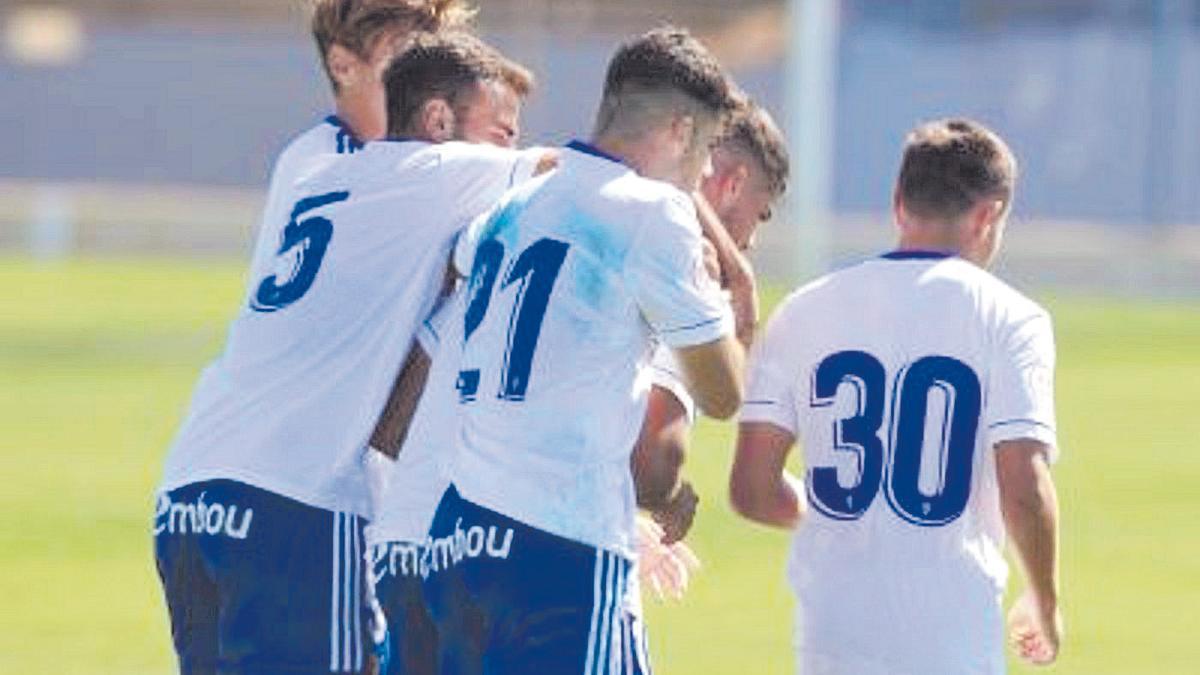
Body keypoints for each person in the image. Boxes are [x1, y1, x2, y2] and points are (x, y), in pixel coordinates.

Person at [153, 31, 543, 673]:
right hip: (294, 503)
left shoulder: (324, 173)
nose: (515, 148)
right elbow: (583, 179)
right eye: (504, 132)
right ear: (439, 120)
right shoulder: (441, 173)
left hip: (190, 494)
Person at [418, 26, 744, 673]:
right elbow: (724, 392)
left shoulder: (511, 206)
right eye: (707, 146)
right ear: (679, 129)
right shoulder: (651, 212)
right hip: (557, 545)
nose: (706, 172)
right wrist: (708, 294)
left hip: (458, 531)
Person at [730, 118, 1063, 674]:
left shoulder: (804, 310)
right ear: (990, 214)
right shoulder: (1012, 317)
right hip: (949, 635)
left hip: (830, 636)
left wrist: (853, 517)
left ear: (897, 202)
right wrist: (1045, 601)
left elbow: (753, 490)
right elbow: (1023, 488)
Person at [634, 100, 790, 544]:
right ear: (734, 182)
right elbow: (651, 457)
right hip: (558, 555)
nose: (752, 242)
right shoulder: (690, 270)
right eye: (758, 217)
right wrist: (669, 496)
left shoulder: (594, 209)